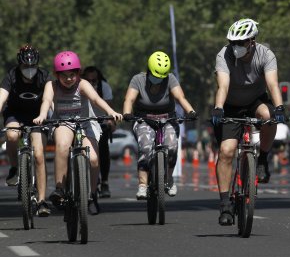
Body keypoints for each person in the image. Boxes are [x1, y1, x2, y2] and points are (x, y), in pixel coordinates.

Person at [212, 18, 287, 225]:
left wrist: (279, 107)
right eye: (233, 42)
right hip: (230, 104)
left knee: (269, 117)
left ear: (252, 41)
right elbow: (223, 86)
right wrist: (218, 108)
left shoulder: (266, 55)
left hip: (255, 101)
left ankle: (262, 158)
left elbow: (272, 84)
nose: (236, 47)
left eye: (241, 43)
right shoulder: (224, 54)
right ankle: (225, 205)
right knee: (226, 151)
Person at [33, 51, 122, 215]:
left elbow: (96, 99)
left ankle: (92, 195)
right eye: (64, 75)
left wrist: (111, 111)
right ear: (56, 75)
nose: (68, 79)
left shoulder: (83, 84)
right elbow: (46, 101)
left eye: (72, 75)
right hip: (64, 122)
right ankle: (59, 188)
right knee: (62, 146)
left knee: (94, 159)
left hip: (86, 122)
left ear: (78, 73)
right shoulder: (51, 86)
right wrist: (42, 116)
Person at [122, 51, 197, 200]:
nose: (159, 79)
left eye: (162, 76)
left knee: (172, 146)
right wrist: (126, 113)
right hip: (144, 119)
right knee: (145, 147)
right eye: (156, 76)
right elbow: (129, 99)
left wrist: (191, 111)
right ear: (149, 70)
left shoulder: (170, 79)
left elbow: (180, 97)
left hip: (167, 119)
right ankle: (142, 185)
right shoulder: (138, 79)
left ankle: (168, 179)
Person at [0, 45, 52, 217]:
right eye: (25, 67)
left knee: (38, 155)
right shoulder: (11, 76)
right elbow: (1, 98)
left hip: (38, 116)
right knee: (12, 135)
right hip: (15, 113)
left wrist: (48, 114)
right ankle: (15, 168)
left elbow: (49, 98)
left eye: (32, 67)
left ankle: (42, 200)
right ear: (19, 65)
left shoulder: (45, 76)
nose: (29, 70)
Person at [82, 66, 115, 198]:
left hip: (100, 121)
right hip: (83, 120)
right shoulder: (79, 86)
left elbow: (108, 105)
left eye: (94, 81)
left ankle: (104, 182)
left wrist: (111, 120)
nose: (91, 84)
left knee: (103, 151)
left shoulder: (104, 87)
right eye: (87, 80)